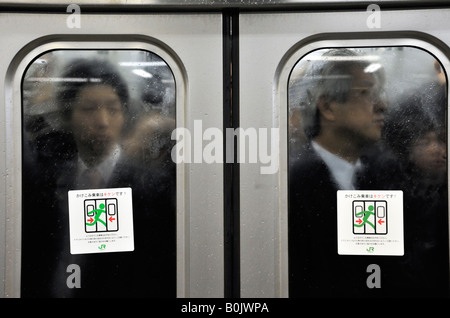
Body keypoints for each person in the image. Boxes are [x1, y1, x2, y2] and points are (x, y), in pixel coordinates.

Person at [21, 58, 176, 297]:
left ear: (124, 116)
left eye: (113, 110)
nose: (103, 122)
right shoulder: (47, 179)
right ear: (68, 115)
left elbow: (156, 272)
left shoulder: (149, 188)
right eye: (88, 109)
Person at [288, 48, 391, 297]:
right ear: (328, 107)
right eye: (365, 93)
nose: (382, 106)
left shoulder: (382, 172)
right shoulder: (294, 182)